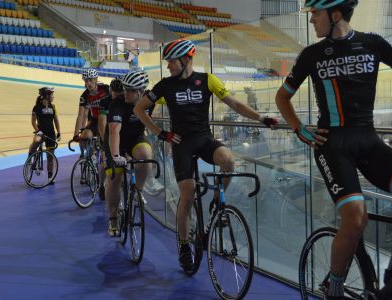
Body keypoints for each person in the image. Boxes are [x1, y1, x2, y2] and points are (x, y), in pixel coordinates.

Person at [274, 1, 392, 298]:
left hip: (369, 140)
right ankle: (335, 286)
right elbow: (282, 97)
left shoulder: (373, 43)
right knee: (355, 218)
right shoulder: (312, 55)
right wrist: (299, 129)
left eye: (316, 14)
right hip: (333, 146)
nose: (312, 20)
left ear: (335, 14)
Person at [133, 39, 279, 273]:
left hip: (203, 139)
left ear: (185, 60)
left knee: (229, 161)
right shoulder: (164, 86)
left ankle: (216, 205)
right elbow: (139, 109)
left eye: (171, 62)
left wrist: (261, 119)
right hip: (181, 144)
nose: (169, 66)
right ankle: (182, 246)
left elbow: (235, 104)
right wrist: (160, 133)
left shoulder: (207, 80)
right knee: (187, 195)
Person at [103, 71, 155, 237]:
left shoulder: (149, 101)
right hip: (115, 140)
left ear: (140, 92)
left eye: (130, 90)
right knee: (115, 177)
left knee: (146, 156)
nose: (125, 92)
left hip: (135, 138)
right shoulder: (118, 103)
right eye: (125, 89)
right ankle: (112, 218)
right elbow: (114, 130)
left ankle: (137, 192)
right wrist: (117, 156)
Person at [73, 68, 110, 198]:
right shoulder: (84, 96)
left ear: (96, 80)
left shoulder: (106, 89)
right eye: (85, 80)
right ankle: (86, 158)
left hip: (107, 119)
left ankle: (98, 158)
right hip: (94, 120)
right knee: (85, 136)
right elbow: (80, 115)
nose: (88, 83)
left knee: (104, 141)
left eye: (90, 80)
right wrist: (76, 134)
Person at [29, 87, 61, 183]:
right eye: (52, 95)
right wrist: (37, 130)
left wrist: (59, 132)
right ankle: (30, 159)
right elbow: (33, 122)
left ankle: (50, 177)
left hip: (51, 133)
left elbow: (56, 120)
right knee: (36, 141)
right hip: (40, 132)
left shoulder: (53, 107)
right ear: (46, 96)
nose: (53, 97)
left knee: (50, 156)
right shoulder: (36, 107)